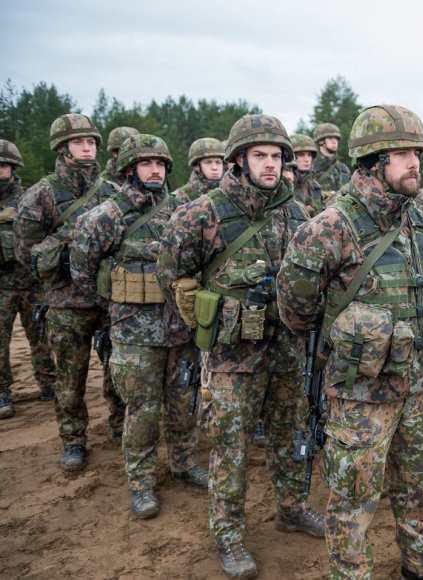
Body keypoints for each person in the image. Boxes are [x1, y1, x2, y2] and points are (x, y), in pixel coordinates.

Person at [277, 104, 423, 580]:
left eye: (416, 153)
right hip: (360, 394)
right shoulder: (328, 228)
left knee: (419, 483)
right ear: (373, 162)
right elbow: (295, 313)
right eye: (402, 153)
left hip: (416, 383)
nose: (415, 163)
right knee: (354, 496)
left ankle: (420, 565)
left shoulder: (418, 220)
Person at [156, 114, 324, 578]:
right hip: (232, 358)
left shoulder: (294, 212)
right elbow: (170, 273)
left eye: (277, 157)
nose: (271, 165)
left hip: (288, 351)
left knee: (292, 436)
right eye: (260, 156)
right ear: (238, 160)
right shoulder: (202, 213)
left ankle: (291, 509)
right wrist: (210, 319)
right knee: (230, 446)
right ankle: (229, 536)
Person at [70, 134, 206, 518]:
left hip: (181, 330)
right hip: (134, 335)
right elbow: (82, 270)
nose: (155, 170)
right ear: (129, 169)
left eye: (161, 164)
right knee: (142, 412)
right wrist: (117, 300)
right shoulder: (107, 216)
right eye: (147, 164)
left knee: (183, 405)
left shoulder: (181, 209)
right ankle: (142, 483)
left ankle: (183, 464)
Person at [14, 114, 125, 470]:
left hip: (108, 299)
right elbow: (25, 253)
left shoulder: (111, 190)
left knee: (117, 371)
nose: (87, 148)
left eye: (91, 142)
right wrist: (59, 256)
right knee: (70, 378)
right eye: (79, 143)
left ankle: (122, 428)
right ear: (62, 149)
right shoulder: (40, 195)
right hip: (65, 303)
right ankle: (74, 440)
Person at [0, 139, 55, 418]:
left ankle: (48, 383)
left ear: (13, 167)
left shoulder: (28, 198)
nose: (0, 171)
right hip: (1, 288)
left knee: (41, 337)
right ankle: (2, 393)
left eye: (4, 165)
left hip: (31, 283)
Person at [175, 137, 225, 206]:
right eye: (208, 162)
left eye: (218, 162)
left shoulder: (231, 193)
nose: (214, 167)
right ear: (196, 166)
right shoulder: (179, 198)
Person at [290, 134, 330, 214]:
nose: (307, 159)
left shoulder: (314, 185)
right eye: (301, 155)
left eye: (309, 155)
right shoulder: (285, 185)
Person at [311, 122, 350, 192]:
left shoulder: (343, 169)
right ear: (320, 141)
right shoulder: (311, 168)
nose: (334, 141)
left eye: (336, 139)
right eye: (330, 138)